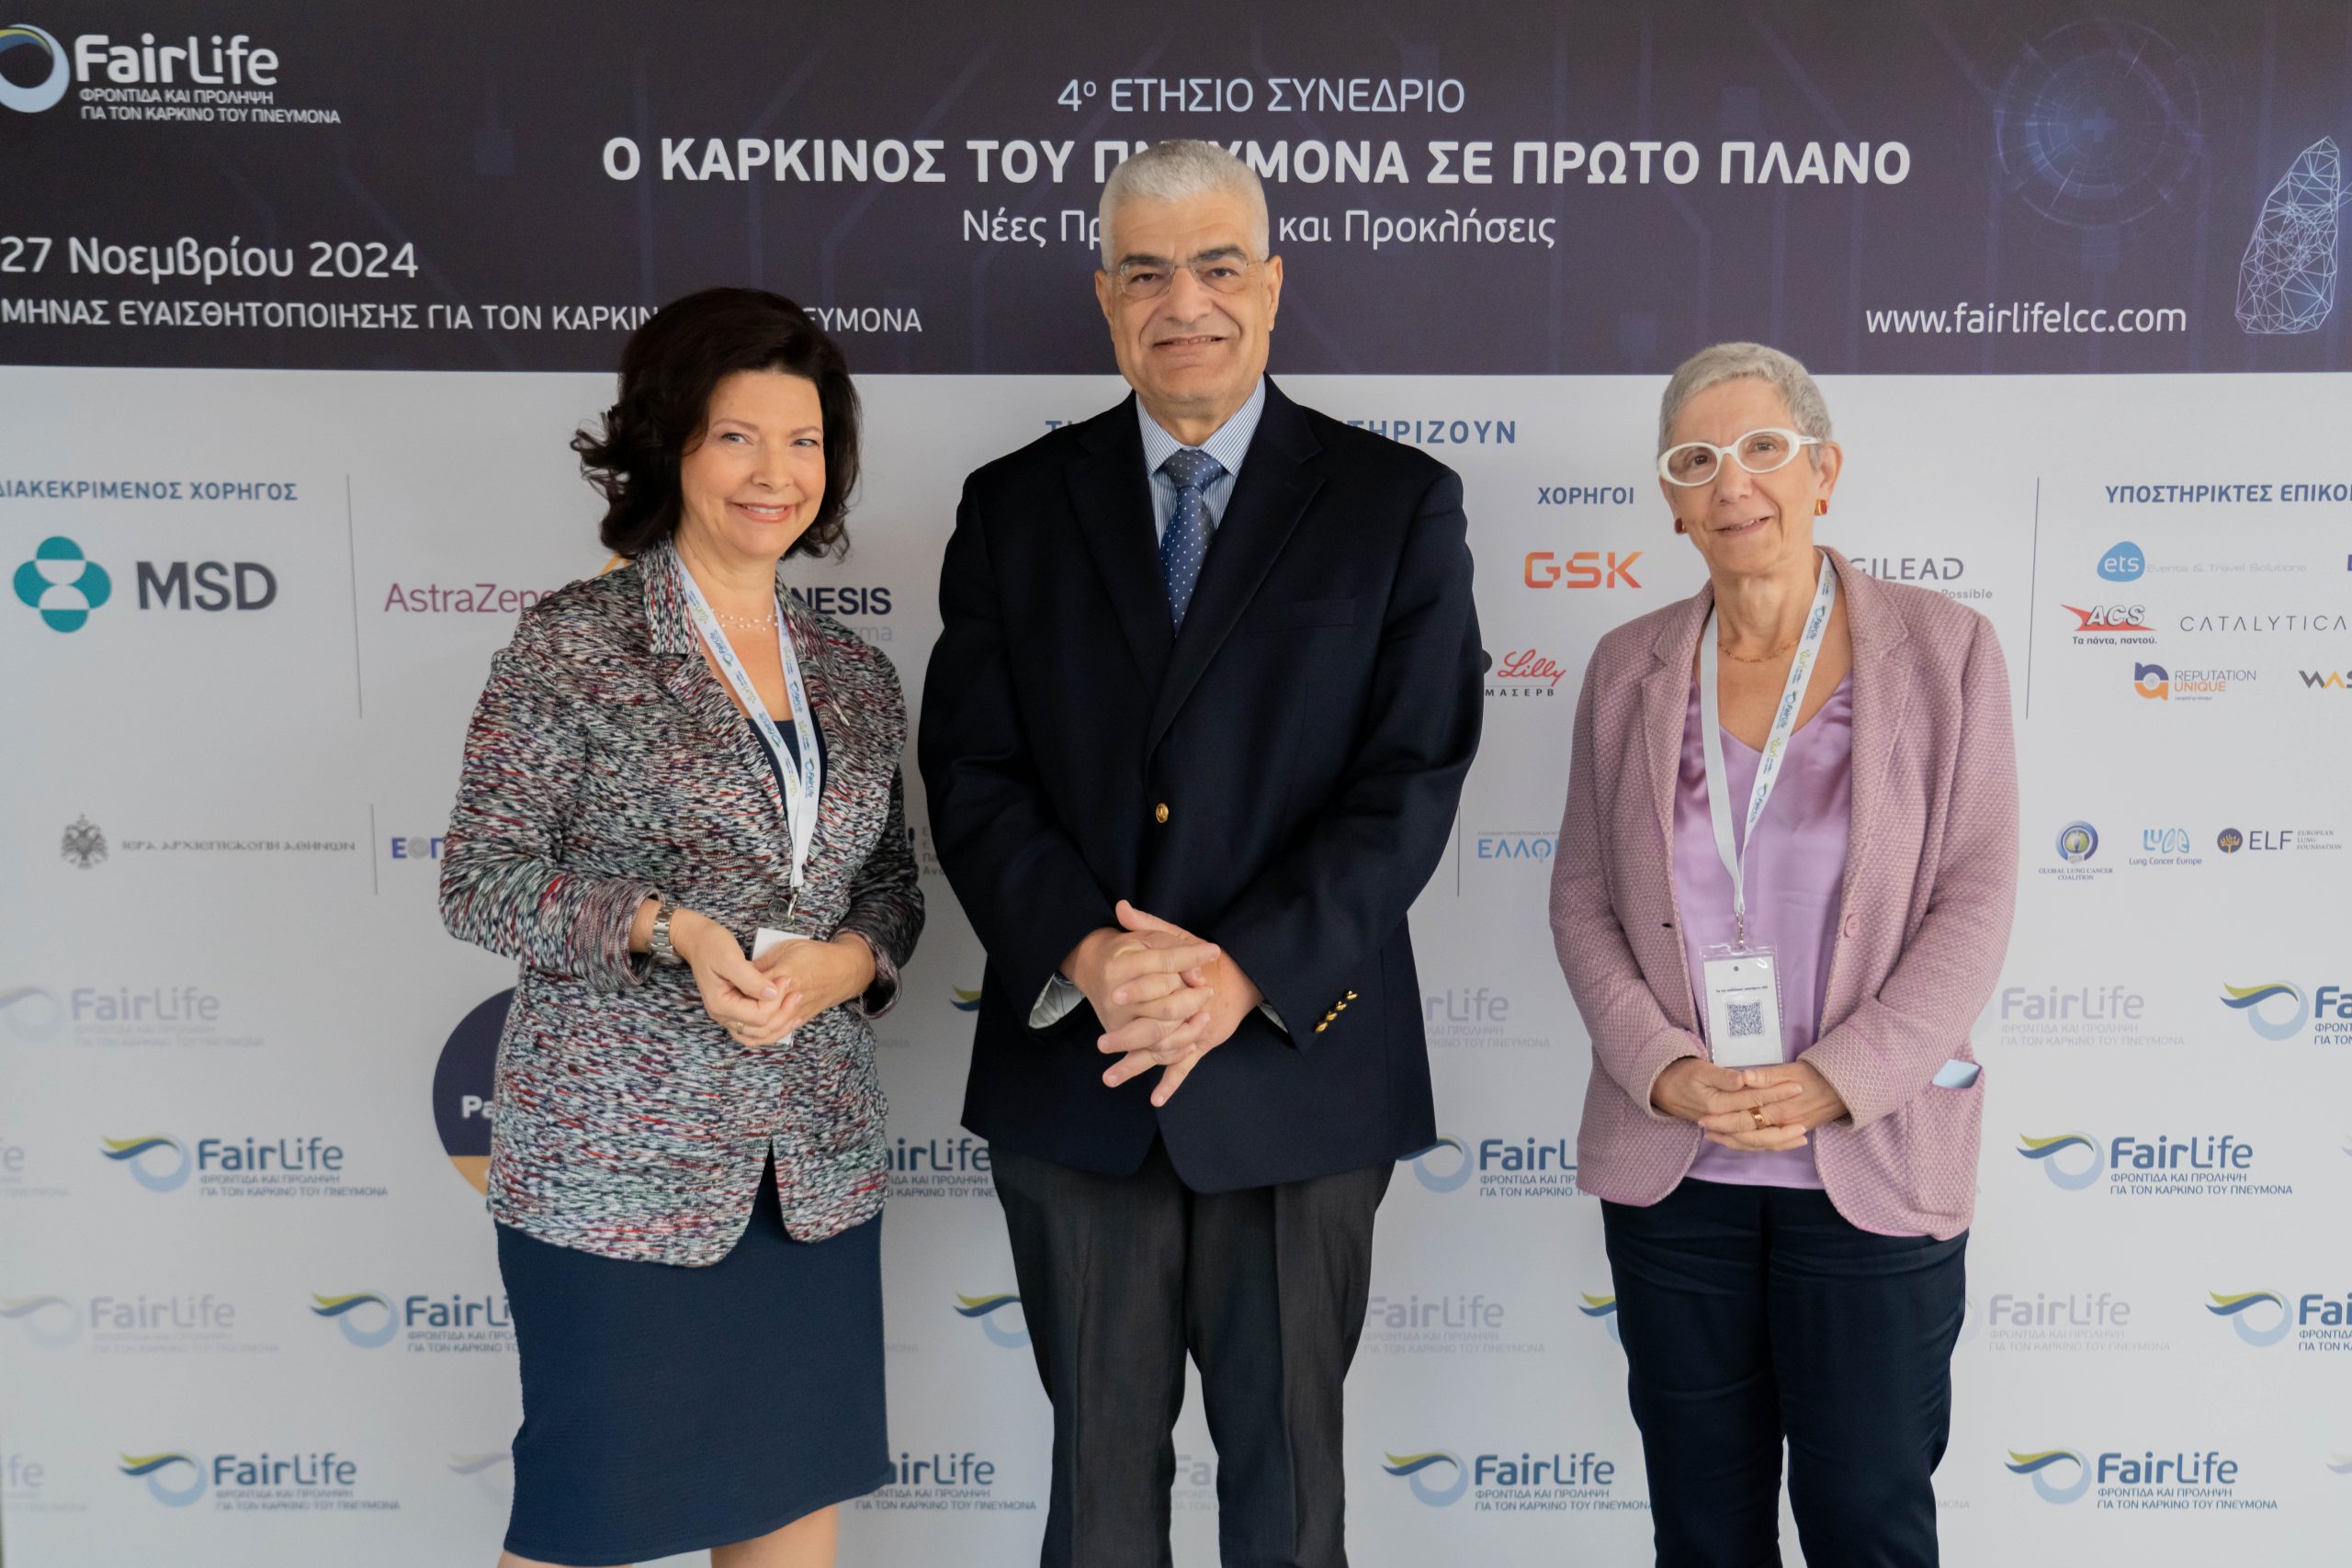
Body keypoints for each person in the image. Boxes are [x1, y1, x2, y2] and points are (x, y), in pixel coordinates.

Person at [919, 140, 1481, 1568]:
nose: (1187, 302)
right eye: (1149, 272)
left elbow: (1409, 778)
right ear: (1105, 296)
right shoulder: (1012, 505)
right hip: (1081, 1067)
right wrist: (1093, 954)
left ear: (1273, 286)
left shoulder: (1395, 502)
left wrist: (1240, 974)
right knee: (1099, 1505)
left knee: (1288, 1502)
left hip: (1298, 1070)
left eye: (1220, 266)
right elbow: (973, 771)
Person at [439, 287, 922, 1568]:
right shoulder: (576, 643)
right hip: (617, 1166)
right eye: (737, 437)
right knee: (588, 1519)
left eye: (805, 440)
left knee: (791, 1501)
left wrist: (851, 962)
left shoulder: (854, 674)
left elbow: (890, 883)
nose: (778, 473)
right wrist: (671, 930)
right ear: (669, 446)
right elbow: (480, 879)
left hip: (810, 1164)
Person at [1548, 342, 2017, 1566]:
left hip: (1871, 1161)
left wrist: (1836, 1079)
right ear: (1672, 500)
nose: (1733, 482)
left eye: (1764, 448)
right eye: (1696, 460)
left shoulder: (1948, 651)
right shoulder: (1629, 669)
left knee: (1867, 1523)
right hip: (1679, 1174)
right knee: (1703, 1532)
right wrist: (1662, 1070)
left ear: (1824, 472)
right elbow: (1584, 900)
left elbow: (1974, 899)